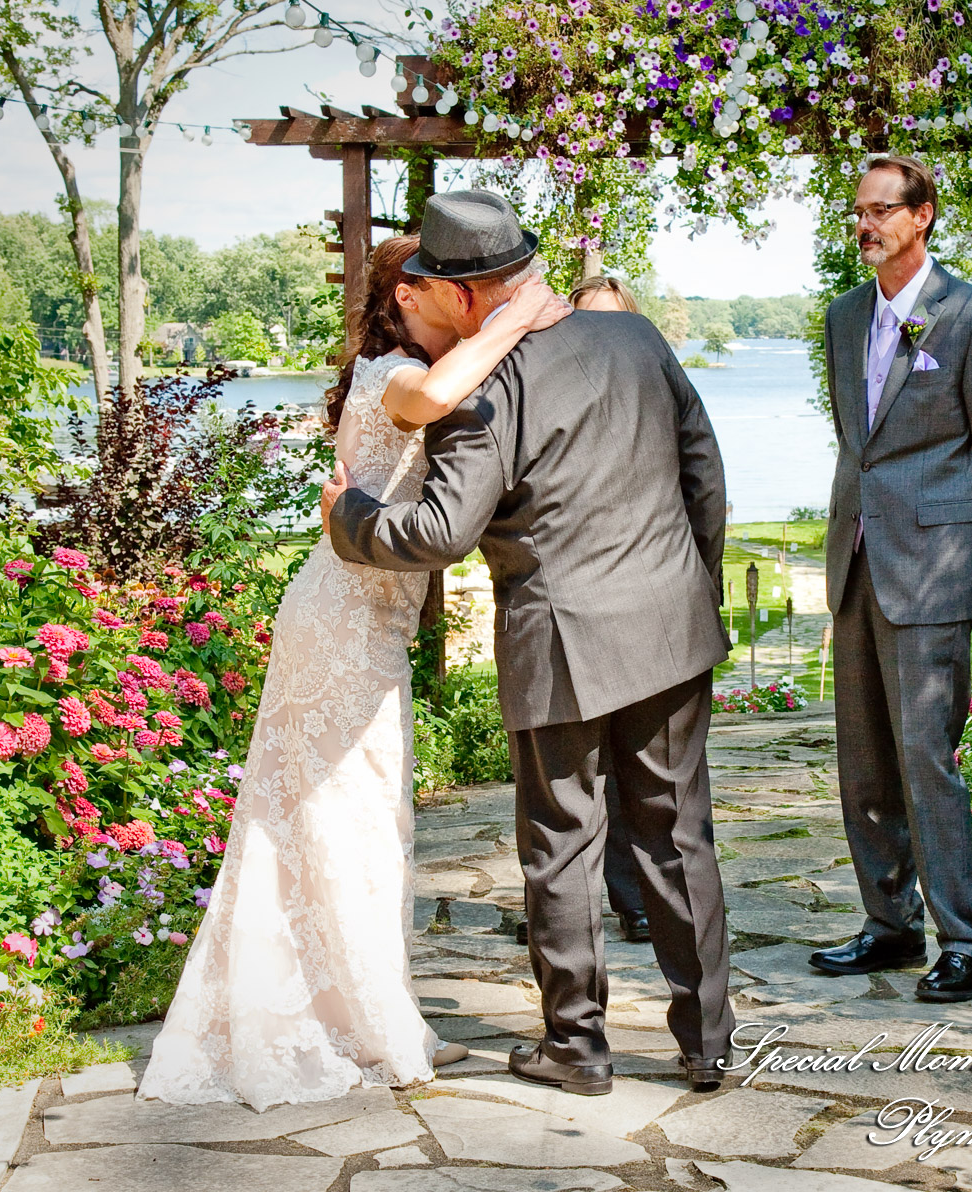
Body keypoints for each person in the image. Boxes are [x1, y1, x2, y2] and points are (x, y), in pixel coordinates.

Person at [137, 234, 571, 1111]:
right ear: (408, 296)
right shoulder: (393, 377)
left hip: (359, 621)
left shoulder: (403, 371)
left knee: (348, 823)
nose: (465, 301)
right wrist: (522, 313)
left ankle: (356, 1014)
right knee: (352, 822)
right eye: (447, 287)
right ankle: (365, 1028)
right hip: (340, 627)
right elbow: (440, 396)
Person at [322, 190, 735, 1097]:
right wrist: (690, 587)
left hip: (560, 638)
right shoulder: (638, 338)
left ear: (464, 295)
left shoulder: (480, 387)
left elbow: (439, 533)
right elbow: (704, 476)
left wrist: (349, 515)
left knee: (563, 843)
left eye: (429, 286)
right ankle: (707, 1043)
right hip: (671, 626)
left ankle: (577, 1048)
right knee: (679, 836)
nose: (424, 302)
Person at [808, 155, 972, 1003]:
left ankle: (967, 942)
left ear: (922, 214)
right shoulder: (844, 316)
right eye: (858, 212)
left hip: (933, 569)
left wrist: (961, 552)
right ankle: (889, 925)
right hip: (857, 560)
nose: (865, 225)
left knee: (927, 757)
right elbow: (857, 445)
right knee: (864, 757)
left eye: (881, 210)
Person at [510, 273, 650, 950]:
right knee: (565, 782)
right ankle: (563, 908)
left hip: (639, 602)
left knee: (631, 771)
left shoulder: (651, 391)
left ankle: (635, 900)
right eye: (585, 318)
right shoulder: (544, 392)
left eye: (612, 321)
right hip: (565, 606)